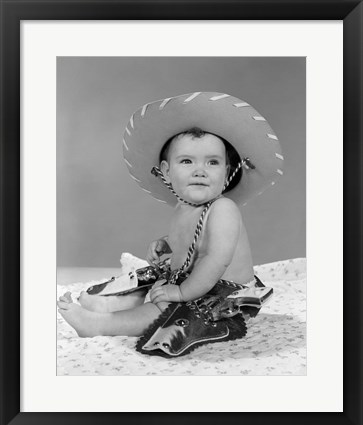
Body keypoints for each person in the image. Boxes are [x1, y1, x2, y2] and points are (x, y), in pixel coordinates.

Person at [58, 92, 283, 354]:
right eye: (187, 161)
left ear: (227, 173)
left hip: (221, 292)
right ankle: (111, 306)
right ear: (166, 171)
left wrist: (182, 292)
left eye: (212, 162)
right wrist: (167, 242)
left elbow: (215, 259)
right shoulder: (184, 206)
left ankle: (101, 324)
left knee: (166, 306)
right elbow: (193, 240)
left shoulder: (224, 209)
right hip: (192, 280)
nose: (200, 170)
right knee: (155, 288)